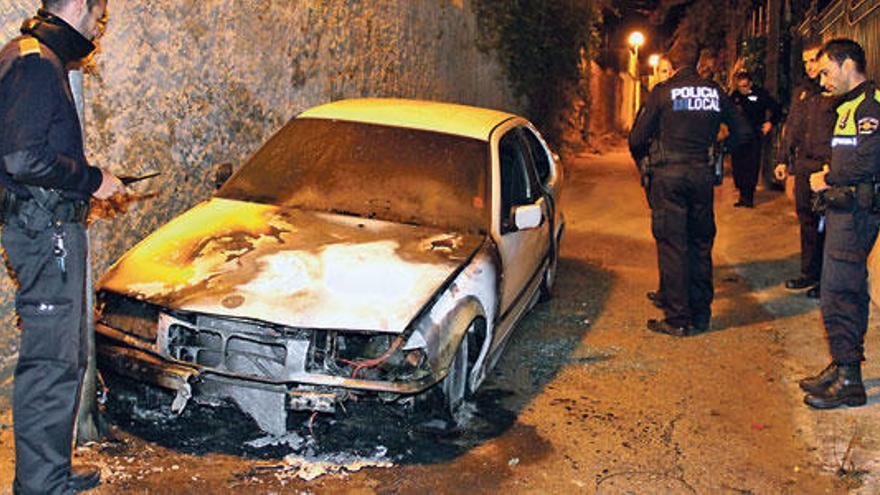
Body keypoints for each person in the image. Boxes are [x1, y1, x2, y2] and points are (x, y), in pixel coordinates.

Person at [0, 0, 125, 492]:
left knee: (64, 357)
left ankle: (48, 474)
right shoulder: (34, 63)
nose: (97, 27)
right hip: (45, 232)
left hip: (48, 230)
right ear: (76, 6)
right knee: (51, 360)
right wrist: (92, 179)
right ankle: (39, 486)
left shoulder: (34, 56)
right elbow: (23, 158)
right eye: (98, 16)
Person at [629, 40, 752, 337]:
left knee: (673, 246)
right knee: (700, 244)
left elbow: (636, 139)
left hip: (668, 176)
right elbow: (744, 132)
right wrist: (720, 150)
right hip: (701, 175)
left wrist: (645, 162)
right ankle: (700, 316)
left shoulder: (662, 93)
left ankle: (677, 318)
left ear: (671, 65)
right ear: (699, 62)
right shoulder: (715, 92)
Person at [802, 38, 879, 409]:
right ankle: (841, 363)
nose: (823, 81)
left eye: (828, 72)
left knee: (842, 290)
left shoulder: (871, 106)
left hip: (857, 211)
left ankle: (850, 379)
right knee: (834, 289)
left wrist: (829, 176)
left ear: (849, 64)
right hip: (842, 209)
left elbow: (868, 161)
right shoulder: (848, 106)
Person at [774, 43, 836, 299]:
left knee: (828, 225)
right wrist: (782, 159)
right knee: (807, 221)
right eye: (806, 61)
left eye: (814, 60)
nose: (810, 66)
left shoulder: (835, 93)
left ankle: (826, 280)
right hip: (803, 166)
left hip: (825, 167)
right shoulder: (802, 93)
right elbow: (792, 128)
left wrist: (832, 166)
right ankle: (809, 273)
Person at [729, 71, 781, 207]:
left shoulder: (760, 94)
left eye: (745, 86)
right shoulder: (735, 96)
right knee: (738, 167)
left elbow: (776, 109)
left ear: (750, 83)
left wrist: (770, 123)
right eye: (740, 87)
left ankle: (748, 197)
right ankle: (742, 195)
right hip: (738, 137)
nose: (743, 90)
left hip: (754, 136)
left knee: (751, 166)